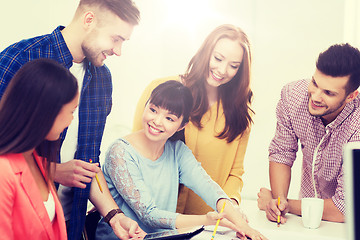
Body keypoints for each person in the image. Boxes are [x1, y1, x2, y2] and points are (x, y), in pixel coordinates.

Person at [0, 1, 145, 239]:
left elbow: (88, 163)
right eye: (116, 38)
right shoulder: (20, 59)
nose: (118, 51)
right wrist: (52, 171)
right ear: (89, 20)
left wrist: (114, 216)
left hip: (70, 223)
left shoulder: (102, 79)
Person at [96, 80, 266, 240]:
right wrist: (205, 220)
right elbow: (148, 215)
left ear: (182, 125)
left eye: (169, 118)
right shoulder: (120, 152)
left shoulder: (177, 151)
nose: (156, 121)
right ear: (146, 105)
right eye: (153, 110)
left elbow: (209, 188)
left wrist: (244, 226)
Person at [132, 24, 253, 215]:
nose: (222, 70)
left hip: (207, 222)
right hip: (152, 217)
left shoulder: (239, 114)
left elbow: (235, 174)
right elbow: (134, 152)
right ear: (206, 52)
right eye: (218, 58)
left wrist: (230, 206)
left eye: (234, 66)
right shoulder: (162, 89)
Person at [257, 43, 360, 224]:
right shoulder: (292, 96)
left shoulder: (357, 125)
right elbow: (282, 153)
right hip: (304, 218)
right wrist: (278, 203)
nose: (315, 96)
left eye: (328, 93)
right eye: (314, 83)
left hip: (347, 225)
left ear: (351, 96)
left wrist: (287, 204)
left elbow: (345, 209)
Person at [0, 58, 78, 239]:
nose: (71, 120)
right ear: (47, 112)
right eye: (72, 111)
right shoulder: (4, 171)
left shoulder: (34, 157)